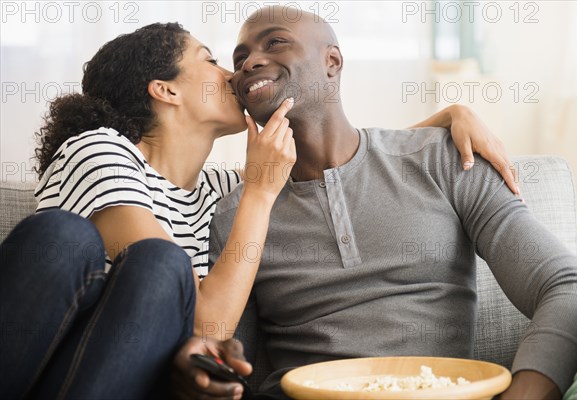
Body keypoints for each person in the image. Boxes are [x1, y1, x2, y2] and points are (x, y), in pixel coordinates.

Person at [0, 22, 512, 400]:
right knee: (125, 253)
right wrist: (262, 195)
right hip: (43, 366)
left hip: (124, 383)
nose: (236, 71)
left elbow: (339, 159)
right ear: (166, 89)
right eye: (211, 59)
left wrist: (449, 116)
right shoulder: (101, 151)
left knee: (164, 264)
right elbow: (208, 321)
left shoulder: (218, 193)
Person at [204, 6, 577, 400]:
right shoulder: (236, 218)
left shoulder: (445, 159)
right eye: (239, 60)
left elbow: (567, 287)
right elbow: (231, 356)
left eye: (275, 42)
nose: (251, 62)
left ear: (332, 61)